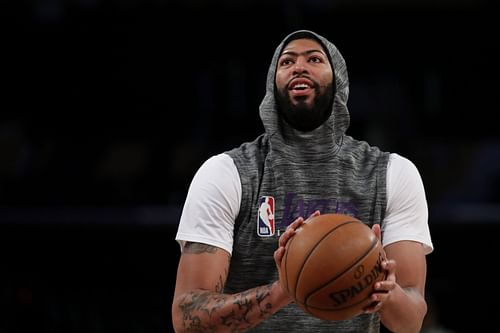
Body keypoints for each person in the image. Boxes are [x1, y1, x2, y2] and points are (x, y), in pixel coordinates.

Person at [171, 29, 433, 333]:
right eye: (287, 61)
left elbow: (411, 321)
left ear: (340, 81)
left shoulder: (392, 173)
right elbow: (186, 318)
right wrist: (284, 290)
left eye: (314, 59)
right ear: (272, 85)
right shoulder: (226, 172)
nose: (299, 66)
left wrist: (388, 292)